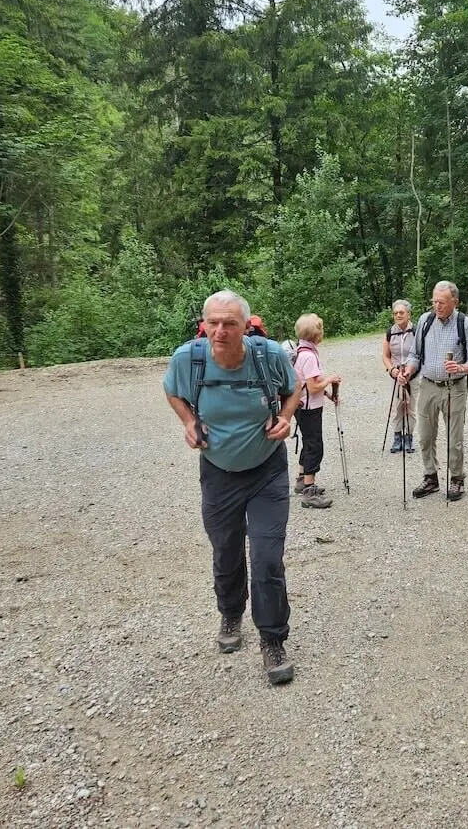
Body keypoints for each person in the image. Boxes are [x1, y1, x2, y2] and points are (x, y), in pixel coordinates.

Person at [163, 289, 301, 685]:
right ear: (204, 325)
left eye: (230, 324)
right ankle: (230, 612)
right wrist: (189, 422)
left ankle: (272, 639)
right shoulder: (188, 359)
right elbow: (172, 391)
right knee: (225, 550)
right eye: (213, 323)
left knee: (267, 557)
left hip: (266, 471)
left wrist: (286, 417)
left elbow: (294, 388)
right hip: (218, 472)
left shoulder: (267, 355)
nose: (220, 331)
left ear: (245, 326)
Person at [397, 281, 468, 501]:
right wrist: (407, 371)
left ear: (455, 302)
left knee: (454, 438)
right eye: (434, 301)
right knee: (425, 436)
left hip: (455, 387)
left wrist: (461, 367)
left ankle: (457, 478)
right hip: (428, 385)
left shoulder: (465, 324)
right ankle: (431, 477)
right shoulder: (425, 320)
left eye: (442, 302)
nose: (437, 306)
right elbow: (415, 355)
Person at [291, 313, 340, 509]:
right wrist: (330, 380)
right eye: (321, 329)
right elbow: (312, 387)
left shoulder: (300, 351)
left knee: (308, 442)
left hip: (301, 405)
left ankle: (302, 479)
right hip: (309, 407)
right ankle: (309, 491)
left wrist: (328, 395)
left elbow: (309, 383)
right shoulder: (309, 356)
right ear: (315, 333)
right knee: (314, 446)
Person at [381, 300, 417, 454]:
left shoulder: (416, 331)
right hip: (396, 375)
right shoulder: (390, 332)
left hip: (413, 375)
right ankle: (397, 437)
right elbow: (385, 355)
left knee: (410, 407)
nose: (398, 315)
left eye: (401, 312)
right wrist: (392, 370)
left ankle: (409, 437)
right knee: (397, 407)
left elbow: (420, 354)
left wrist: (409, 371)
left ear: (409, 314)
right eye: (395, 313)